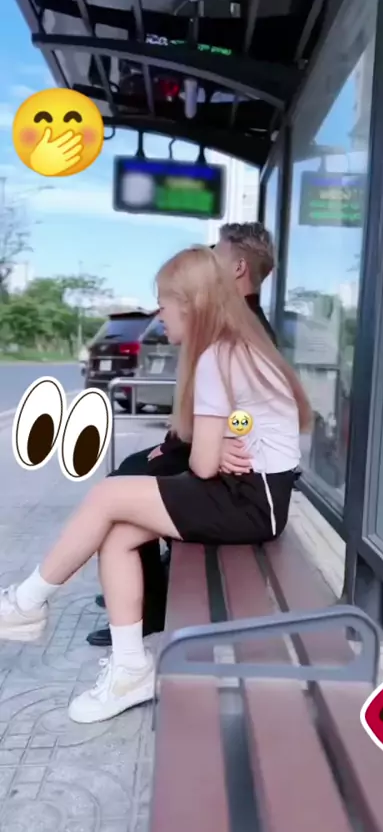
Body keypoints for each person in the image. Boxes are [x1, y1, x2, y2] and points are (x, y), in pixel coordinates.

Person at [0, 246, 311, 724]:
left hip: (252, 503)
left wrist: (215, 446)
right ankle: (130, 668)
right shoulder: (234, 348)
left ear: (191, 304)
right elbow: (236, 433)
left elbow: (203, 464)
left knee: (110, 494)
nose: (159, 315)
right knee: (118, 534)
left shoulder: (220, 357)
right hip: (253, 494)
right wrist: (220, 441)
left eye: (164, 304)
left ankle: (26, 602)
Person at [87, 221, 278, 648]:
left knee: (125, 481)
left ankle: (146, 605)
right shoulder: (236, 320)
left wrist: (226, 440)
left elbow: (251, 411)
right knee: (129, 474)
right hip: (205, 449)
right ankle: (133, 588)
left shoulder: (245, 326)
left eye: (216, 255)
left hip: (225, 470)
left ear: (238, 268)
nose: (206, 261)